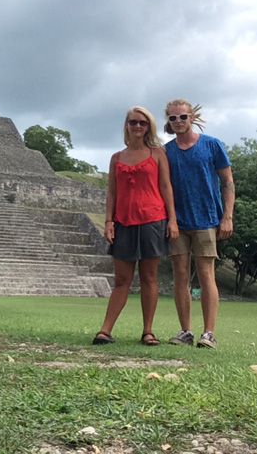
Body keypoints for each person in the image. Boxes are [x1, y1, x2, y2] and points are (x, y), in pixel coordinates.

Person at [93, 106, 178, 346]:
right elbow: (112, 192)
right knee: (122, 279)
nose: (138, 126)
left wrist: (172, 220)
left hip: (152, 219)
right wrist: (108, 221)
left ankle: (148, 331)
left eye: (142, 122)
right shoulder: (116, 158)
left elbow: (165, 188)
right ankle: (105, 329)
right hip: (123, 222)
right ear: (127, 125)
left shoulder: (157, 154)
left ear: (148, 126)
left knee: (149, 277)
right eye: (133, 122)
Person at [164, 99, 234, 349]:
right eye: (173, 118)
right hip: (177, 222)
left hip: (206, 219)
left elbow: (227, 182)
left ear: (192, 117)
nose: (178, 122)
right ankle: (185, 330)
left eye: (182, 117)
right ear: (168, 122)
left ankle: (209, 332)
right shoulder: (166, 151)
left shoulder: (211, 145)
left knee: (206, 275)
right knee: (180, 275)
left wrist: (227, 216)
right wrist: (169, 220)